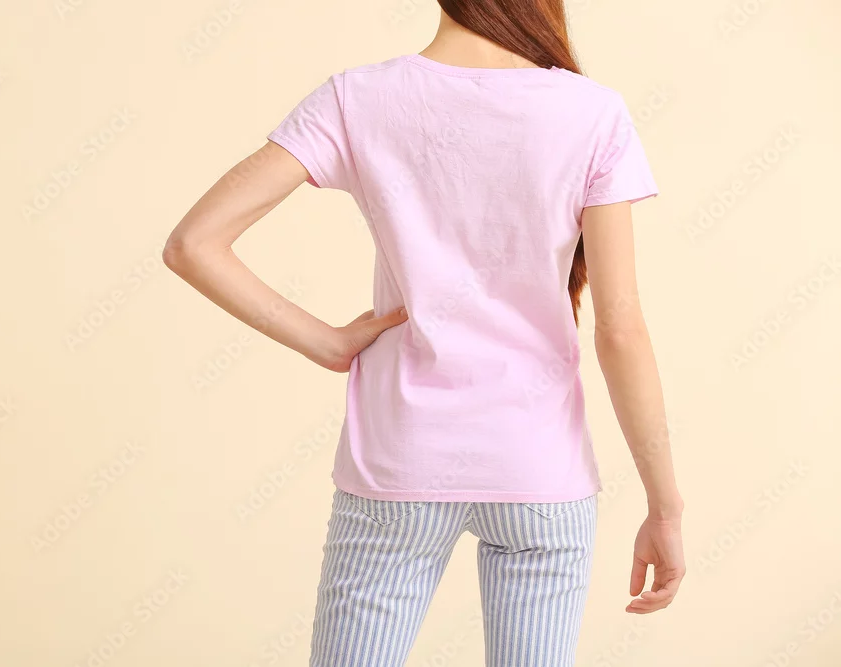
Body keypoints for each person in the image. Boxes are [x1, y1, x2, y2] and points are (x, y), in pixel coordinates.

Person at [163, 1, 685, 664]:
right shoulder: (593, 113)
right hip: (537, 469)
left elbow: (192, 244)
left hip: (398, 464)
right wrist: (664, 507)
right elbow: (620, 329)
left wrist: (325, 342)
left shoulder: (357, 98)